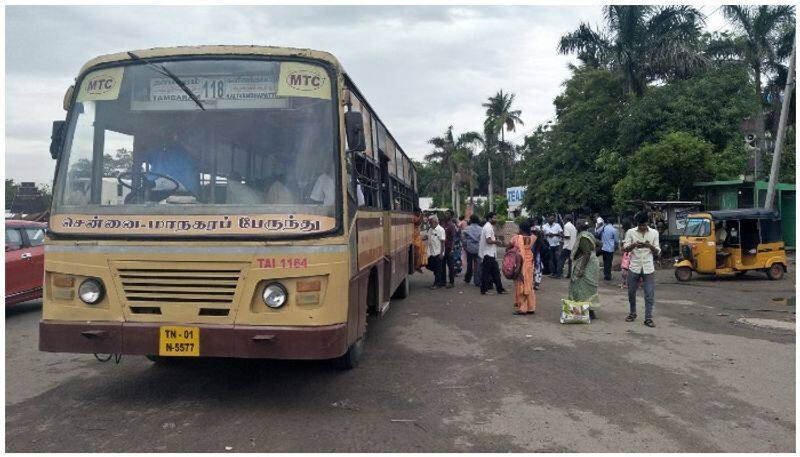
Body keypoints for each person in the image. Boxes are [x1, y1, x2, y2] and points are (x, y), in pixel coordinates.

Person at [623, 211, 661, 328]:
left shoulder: (654, 233)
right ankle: (633, 313)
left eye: (644, 225)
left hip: (648, 268)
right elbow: (625, 249)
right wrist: (634, 245)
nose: (642, 227)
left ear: (647, 223)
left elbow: (658, 252)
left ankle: (648, 318)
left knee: (649, 294)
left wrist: (649, 246)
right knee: (631, 292)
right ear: (637, 224)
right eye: (640, 225)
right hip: (634, 267)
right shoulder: (630, 232)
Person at [568, 220, 600, 318]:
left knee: (580, 287)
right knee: (588, 288)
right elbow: (600, 244)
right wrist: (594, 253)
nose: (575, 225)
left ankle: (582, 313)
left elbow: (587, 253)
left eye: (576, 224)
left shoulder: (583, 236)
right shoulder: (589, 234)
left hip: (585, 264)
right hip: (591, 263)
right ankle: (590, 311)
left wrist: (581, 269)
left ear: (579, 226)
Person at [509, 220, 536, 314]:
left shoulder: (516, 238)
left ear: (520, 228)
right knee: (529, 284)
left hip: (520, 263)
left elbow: (508, 248)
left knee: (520, 285)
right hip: (529, 262)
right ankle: (530, 307)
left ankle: (522, 308)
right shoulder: (532, 238)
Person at [479, 212, 507, 295]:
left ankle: (500, 289)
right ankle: (484, 290)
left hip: (490, 253)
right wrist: (497, 242)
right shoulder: (488, 227)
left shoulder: (489, 226)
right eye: (494, 218)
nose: (496, 219)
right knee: (486, 273)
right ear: (489, 219)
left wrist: (495, 241)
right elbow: (488, 240)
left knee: (495, 272)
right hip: (488, 254)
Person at [421, 214, 446, 289]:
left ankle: (437, 284)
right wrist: (419, 238)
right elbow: (426, 237)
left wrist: (441, 253)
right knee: (428, 265)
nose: (429, 223)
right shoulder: (430, 229)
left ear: (435, 222)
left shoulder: (441, 230)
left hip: (438, 253)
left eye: (430, 222)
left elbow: (442, 242)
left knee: (438, 270)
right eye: (429, 222)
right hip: (431, 253)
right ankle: (440, 279)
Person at [462, 214, 483, 287]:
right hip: (478, 248)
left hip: (469, 248)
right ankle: (477, 281)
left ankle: (467, 278)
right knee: (478, 265)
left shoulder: (467, 228)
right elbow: (482, 239)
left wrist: (465, 246)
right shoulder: (481, 229)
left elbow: (463, 239)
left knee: (469, 264)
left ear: (471, 220)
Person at [442, 210, 457, 288]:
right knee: (442, 265)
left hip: (449, 249)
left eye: (448, 213)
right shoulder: (442, 223)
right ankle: (443, 281)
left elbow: (454, 238)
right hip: (442, 248)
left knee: (451, 266)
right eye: (445, 213)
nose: (446, 214)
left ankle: (451, 282)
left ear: (451, 216)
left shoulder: (451, 225)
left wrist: (452, 249)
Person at [412, 208, 428, 272]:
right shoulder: (414, 217)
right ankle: (416, 266)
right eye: (419, 212)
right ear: (416, 212)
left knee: (421, 251)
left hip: (417, 237)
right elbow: (418, 223)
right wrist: (422, 216)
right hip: (414, 238)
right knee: (417, 252)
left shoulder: (417, 216)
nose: (420, 213)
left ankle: (419, 265)